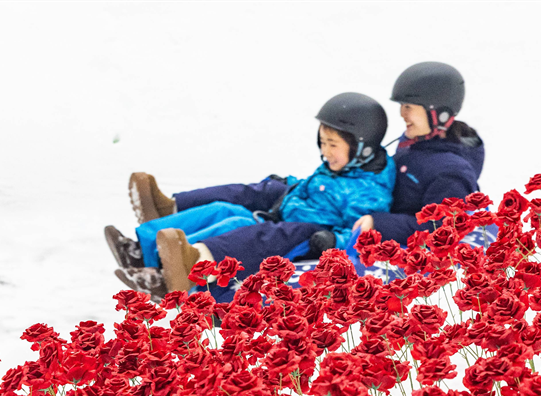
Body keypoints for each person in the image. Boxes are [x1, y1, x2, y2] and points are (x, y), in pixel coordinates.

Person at [106, 92, 396, 298]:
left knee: (242, 229)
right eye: (322, 142)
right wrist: (291, 184)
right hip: (284, 217)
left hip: (306, 236)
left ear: (361, 148)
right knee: (224, 212)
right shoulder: (340, 167)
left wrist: (334, 241)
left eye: (332, 144)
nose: (325, 151)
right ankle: (141, 251)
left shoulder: (369, 193)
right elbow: (315, 186)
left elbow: (359, 235)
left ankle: (180, 268)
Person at [356, 61, 485, 245]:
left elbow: (439, 230)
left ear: (439, 114)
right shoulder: (413, 146)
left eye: (409, 107)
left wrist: (379, 224)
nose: (402, 114)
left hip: (408, 254)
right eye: (402, 106)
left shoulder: (452, 172)